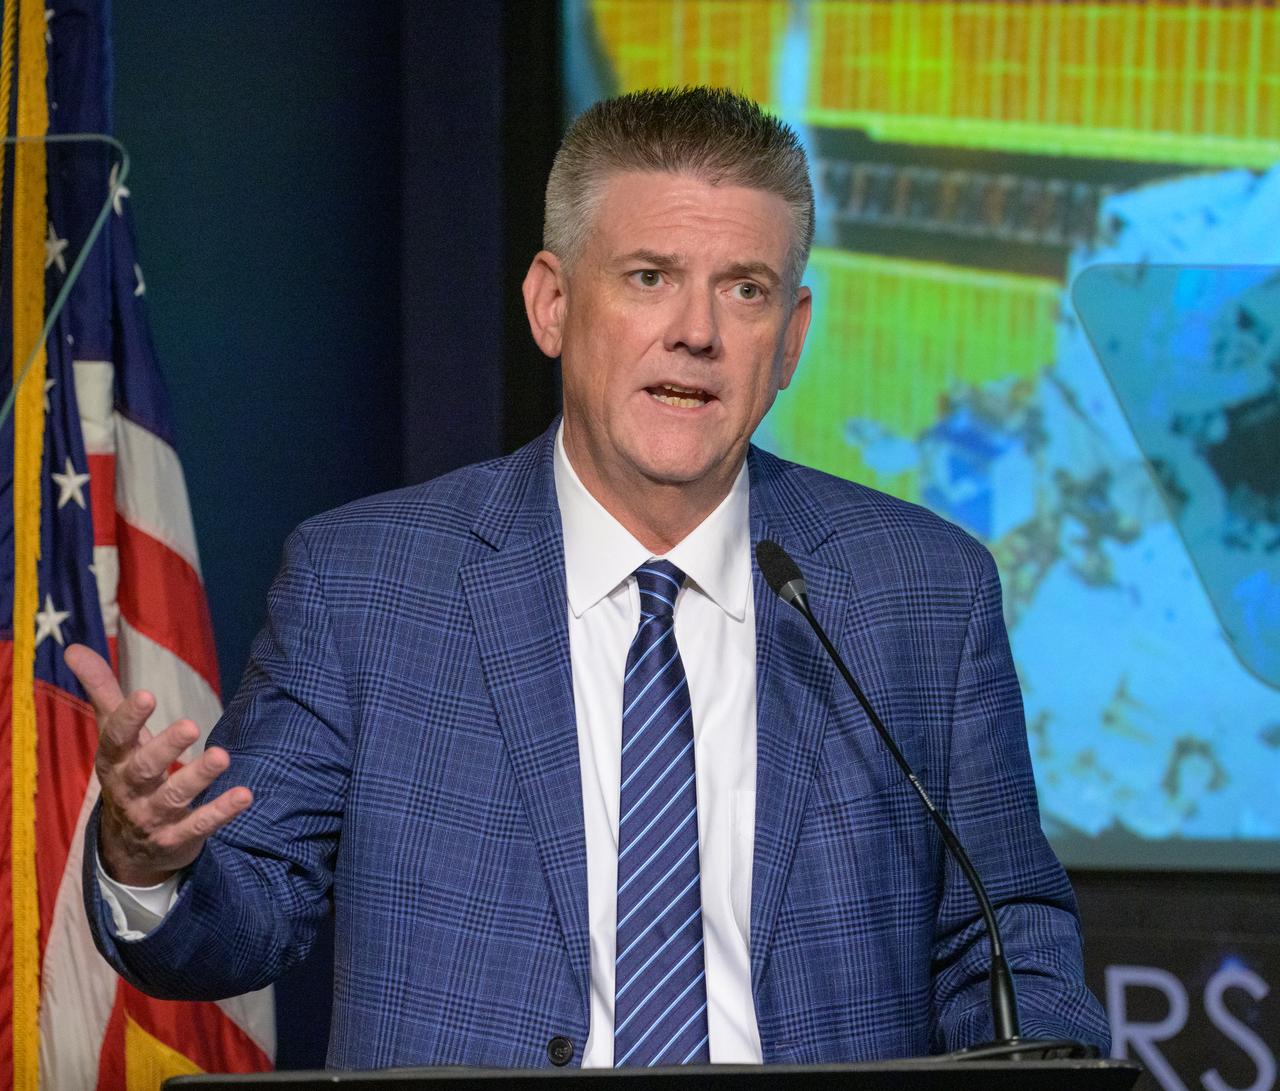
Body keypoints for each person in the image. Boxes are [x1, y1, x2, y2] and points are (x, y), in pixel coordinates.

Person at [71, 86, 1110, 1069]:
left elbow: (1004, 936)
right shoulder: (367, 583)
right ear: (552, 304)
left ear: (789, 337)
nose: (695, 332)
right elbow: (246, 910)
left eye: (741, 289)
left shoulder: (921, 590)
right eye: (649, 276)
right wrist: (150, 856)